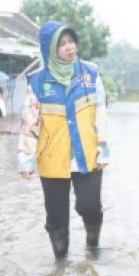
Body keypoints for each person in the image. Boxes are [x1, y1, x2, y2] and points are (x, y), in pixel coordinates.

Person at [18, 21, 109, 260]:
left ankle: (93, 244)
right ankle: (60, 265)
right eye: (62, 43)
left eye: (71, 41)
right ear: (49, 49)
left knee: (90, 206)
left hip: (87, 154)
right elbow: (30, 122)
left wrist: (103, 149)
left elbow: (101, 112)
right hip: (52, 157)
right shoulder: (37, 81)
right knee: (56, 217)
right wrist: (25, 158)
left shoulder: (90, 73)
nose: (69, 47)